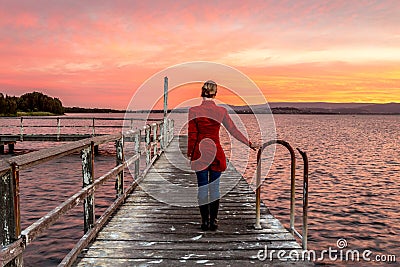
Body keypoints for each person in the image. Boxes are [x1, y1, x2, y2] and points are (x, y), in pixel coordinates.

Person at [187, 80, 258, 231]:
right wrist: (249, 143)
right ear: (215, 93)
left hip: (200, 153)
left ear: (202, 92)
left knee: (202, 188)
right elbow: (233, 131)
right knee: (215, 189)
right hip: (215, 153)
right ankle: (213, 221)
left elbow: (192, 135)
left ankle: (204, 222)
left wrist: (190, 154)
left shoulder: (193, 110)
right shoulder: (221, 111)